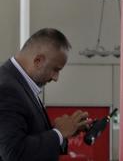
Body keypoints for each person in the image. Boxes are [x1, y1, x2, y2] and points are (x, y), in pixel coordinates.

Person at [0, 28, 91, 161]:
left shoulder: (19, 84)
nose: (56, 78)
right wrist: (58, 133)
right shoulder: (7, 89)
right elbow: (14, 153)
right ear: (38, 61)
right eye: (55, 69)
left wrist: (66, 131)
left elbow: (26, 138)